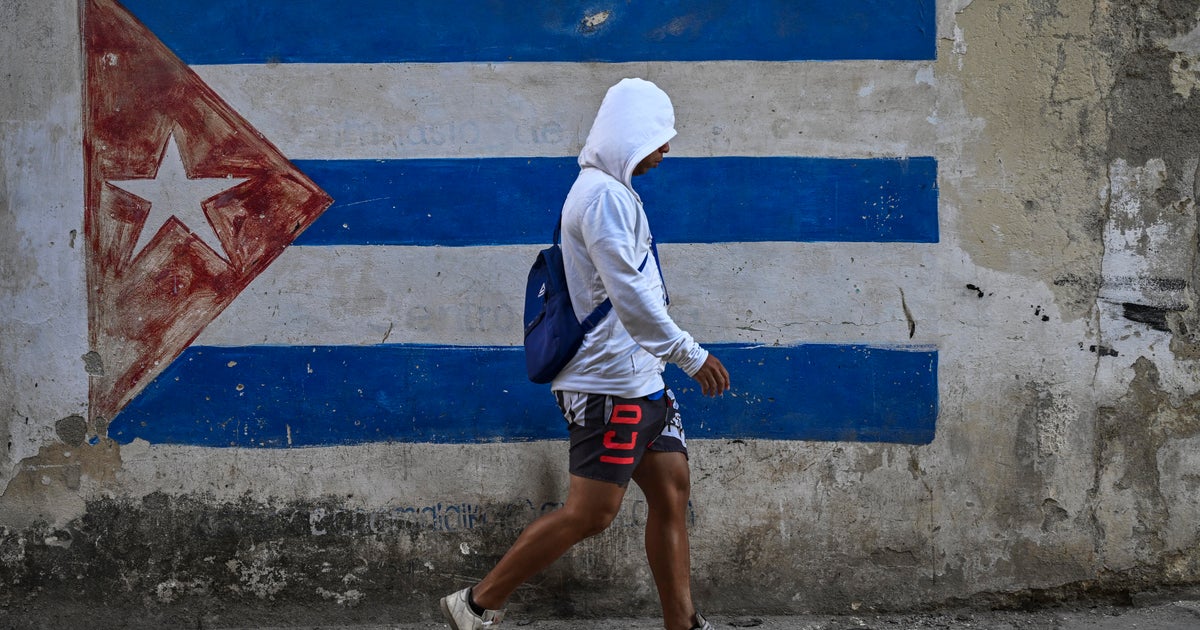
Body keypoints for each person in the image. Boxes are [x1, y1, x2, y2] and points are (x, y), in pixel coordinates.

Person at [440, 78, 731, 630]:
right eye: (657, 137)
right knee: (591, 514)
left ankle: (682, 623)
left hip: (641, 380)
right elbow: (632, 297)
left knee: (671, 492)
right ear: (629, 135)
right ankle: (475, 604)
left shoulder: (613, 192)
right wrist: (691, 356)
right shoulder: (601, 198)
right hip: (608, 386)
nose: (666, 148)